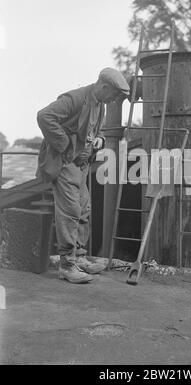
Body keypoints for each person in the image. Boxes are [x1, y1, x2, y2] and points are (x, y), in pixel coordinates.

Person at [36, 67, 130, 284]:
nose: (115, 99)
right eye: (115, 94)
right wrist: (65, 145)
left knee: (83, 208)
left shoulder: (100, 105)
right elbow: (44, 116)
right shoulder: (75, 98)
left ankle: (79, 258)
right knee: (70, 211)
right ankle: (67, 266)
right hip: (65, 162)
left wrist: (100, 141)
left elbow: (93, 132)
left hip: (81, 163)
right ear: (104, 87)